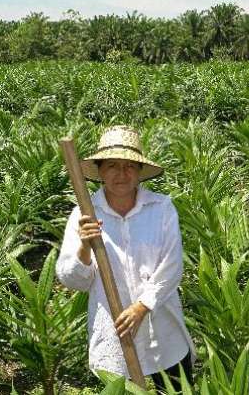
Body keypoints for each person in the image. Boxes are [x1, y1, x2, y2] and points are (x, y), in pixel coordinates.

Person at [56, 125, 195, 391]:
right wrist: (85, 246)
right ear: (100, 171)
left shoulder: (162, 208)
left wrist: (141, 306)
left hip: (162, 332)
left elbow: (172, 266)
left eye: (129, 166)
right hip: (115, 333)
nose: (121, 174)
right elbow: (73, 280)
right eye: (112, 166)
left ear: (140, 172)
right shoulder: (83, 213)